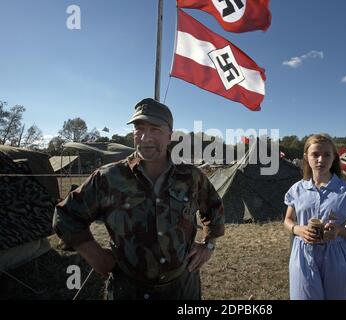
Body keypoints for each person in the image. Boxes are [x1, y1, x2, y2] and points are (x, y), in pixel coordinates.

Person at [53, 98, 225, 300]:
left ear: (169, 135)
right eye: (139, 128)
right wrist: (95, 255)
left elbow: (214, 208)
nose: (145, 137)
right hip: (127, 290)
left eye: (155, 129)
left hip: (182, 288)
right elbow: (66, 215)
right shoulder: (109, 177)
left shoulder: (190, 177)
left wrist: (209, 245)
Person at [283, 133, 346, 300]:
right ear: (306, 157)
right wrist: (298, 230)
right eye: (315, 154)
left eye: (326, 155)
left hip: (339, 259)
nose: (321, 159)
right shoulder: (297, 190)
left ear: (334, 158)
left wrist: (339, 231)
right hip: (303, 256)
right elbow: (287, 220)